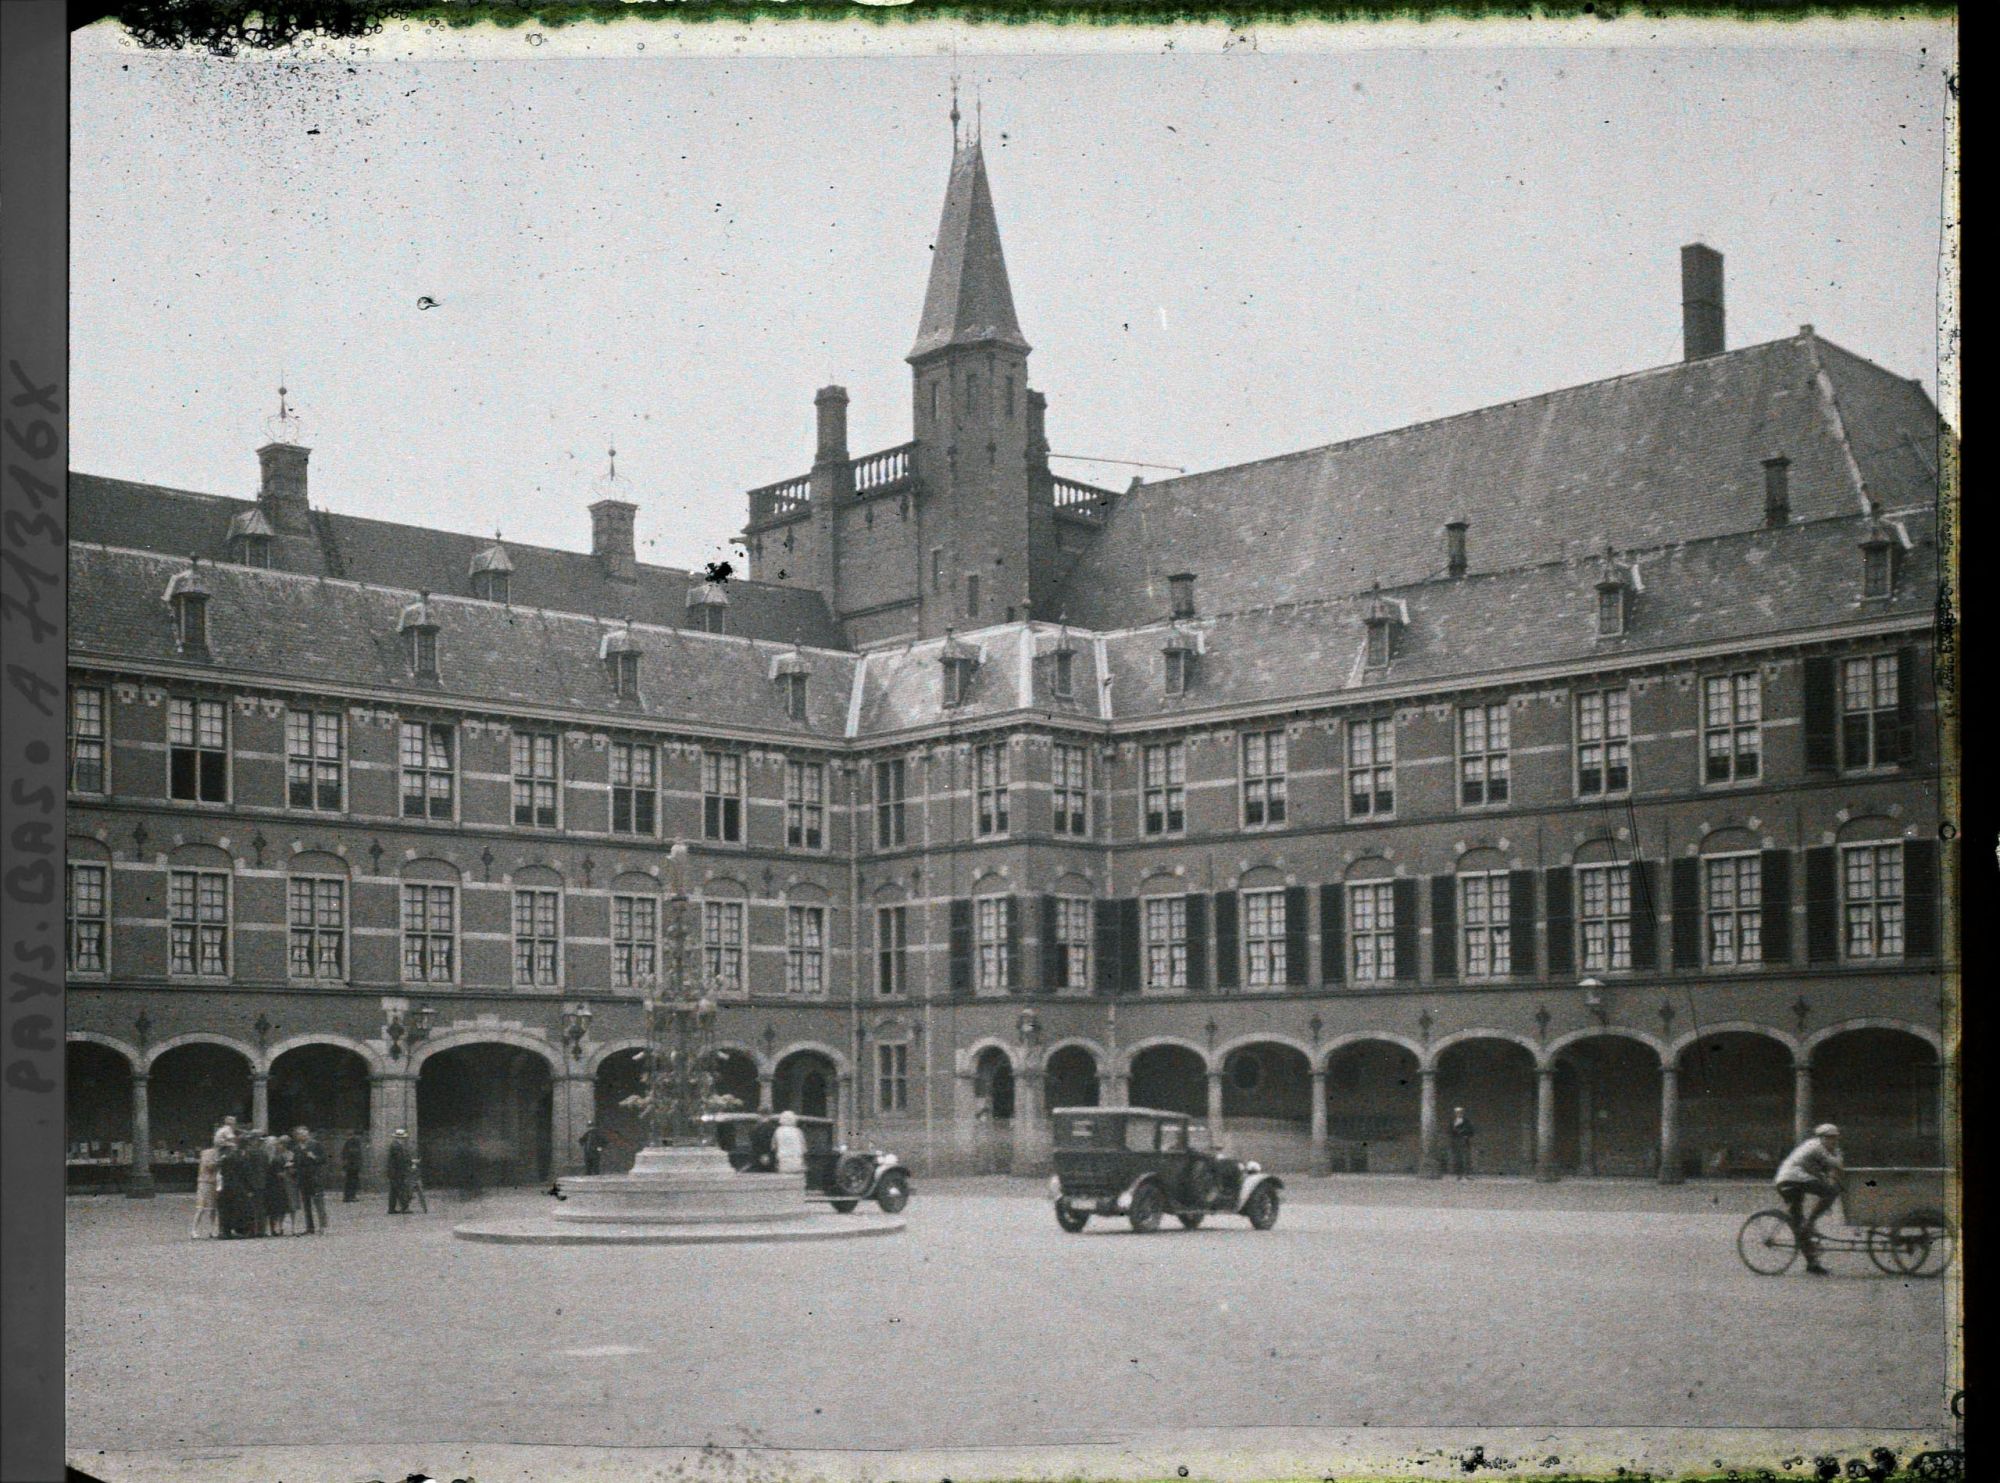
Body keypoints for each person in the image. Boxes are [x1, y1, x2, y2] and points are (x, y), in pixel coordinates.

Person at [1774, 1123, 1844, 1276]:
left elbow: (1827, 1171)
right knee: (1830, 1192)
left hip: (1795, 1180)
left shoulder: (1821, 1148)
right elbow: (1837, 1164)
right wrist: (1837, 1153)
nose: (1833, 1142)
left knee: (1799, 1224)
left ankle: (1812, 1264)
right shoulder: (1816, 1147)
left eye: (1835, 1138)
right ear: (1821, 1138)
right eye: (1830, 1138)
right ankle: (1810, 1223)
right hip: (1791, 1180)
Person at [293, 1127, 328, 1234]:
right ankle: (310, 1227)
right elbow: (296, 1161)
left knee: (319, 1203)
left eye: (304, 1134)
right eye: (300, 1134)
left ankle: (322, 1226)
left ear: (308, 1134)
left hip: (315, 1178)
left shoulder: (316, 1145)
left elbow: (324, 1159)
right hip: (303, 1179)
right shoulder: (296, 1148)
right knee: (306, 1205)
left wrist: (314, 1157)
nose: (303, 1136)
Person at [192, 1132, 223, 1239]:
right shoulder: (207, 1153)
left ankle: (212, 1229)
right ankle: (194, 1230)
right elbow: (209, 1166)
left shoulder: (217, 1153)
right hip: (205, 1182)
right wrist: (220, 1162)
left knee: (213, 1208)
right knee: (201, 1207)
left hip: (213, 1182)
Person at [267, 1135, 298, 1236]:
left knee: (292, 1205)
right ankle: (280, 1227)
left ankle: (293, 1227)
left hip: (290, 1183)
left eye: (280, 1144)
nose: (278, 1146)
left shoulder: (291, 1155)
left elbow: (295, 1168)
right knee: (282, 1207)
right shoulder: (275, 1156)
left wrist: (291, 1171)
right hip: (280, 1184)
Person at [387, 1129, 414, 1214]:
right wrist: (409, 1164)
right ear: (400, 1138)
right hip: (397, 1172)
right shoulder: (397, 1146)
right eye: (402, 1138)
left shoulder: (395, 1145)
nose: (403, 1140)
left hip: (393, 1171)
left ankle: (391, 1208)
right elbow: (400, 1160)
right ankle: (405, 1207)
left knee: (394, 1191)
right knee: (401, 1189)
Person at [773, 1110, 807, 1175]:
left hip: (783, 1160)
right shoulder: (798, 1131)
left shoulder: (778, 1131)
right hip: (797, 1160)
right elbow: (804, 1148)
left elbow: (774, 1146)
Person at [1448, 1107, 1476, 1180]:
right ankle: (1459, 1174)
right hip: (1456, 1142)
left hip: (1465, 1141)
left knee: (1467, 1158)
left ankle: (1468, 1174)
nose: (1459, 1114)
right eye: (1457, 1112)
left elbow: (1471, 1131)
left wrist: (1466, 1136)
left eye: (1460, 1112)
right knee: (1458, 1158)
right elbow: (1450, 1131)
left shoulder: (1467, 1121)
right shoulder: (1452, 1122)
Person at [340, 1131, 363, 1203]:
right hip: (352, 1166)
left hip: (351, 1166)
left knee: (350, 1182)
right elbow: (354, 1155)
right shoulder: (353, 1143)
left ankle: (348, 1196)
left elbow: (344, 1155)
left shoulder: (349, 1143)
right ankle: (350, 1196)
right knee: (352, 1182)